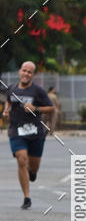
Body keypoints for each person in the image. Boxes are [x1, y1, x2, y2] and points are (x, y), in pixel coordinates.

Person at [2, 62, 54, 209]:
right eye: (24, 70)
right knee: (22, 159)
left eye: (29, 72)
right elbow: (8, 102)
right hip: (16, 131)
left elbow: (51, 108)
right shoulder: (11, 88)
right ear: (20, 71)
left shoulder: (38, 91)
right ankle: (27, 197)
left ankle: (32, 172)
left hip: (35, 132)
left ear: (33, 75)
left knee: (34, 166)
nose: (26, 74)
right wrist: (6, 110)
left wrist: (35, 108)